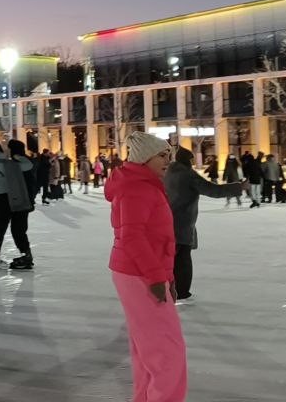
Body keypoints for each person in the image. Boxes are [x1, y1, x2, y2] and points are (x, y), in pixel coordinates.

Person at [106, 131, 187, 402]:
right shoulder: (136, 188)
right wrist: (155, 278)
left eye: (169, 155)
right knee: (166, 350)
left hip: (139, 271)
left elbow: (154, 239)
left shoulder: (144, 184)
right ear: (144, 158)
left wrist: (167, 277)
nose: (168, 161)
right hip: (138, 273)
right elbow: (132, 236)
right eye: (162, 155)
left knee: (148, 346)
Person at [164, 146, 245, 305]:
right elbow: (212, 190)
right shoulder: (187, 174)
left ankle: (171, 289)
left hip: (168, 220)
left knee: (173, 259)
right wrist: (238, 187)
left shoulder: (169, 172)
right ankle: (182, 293)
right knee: (183, 260)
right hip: (182, 222)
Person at [0, 140, 34, 270]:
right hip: (10, 199)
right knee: (13, 229)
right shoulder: (9, 164)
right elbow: (28, 166)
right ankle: (25, 255)